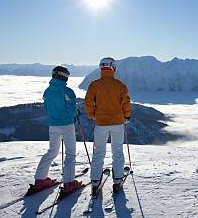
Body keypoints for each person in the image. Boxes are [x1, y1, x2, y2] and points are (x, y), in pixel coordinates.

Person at [30, 66, 84, 197]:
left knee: (52, 151)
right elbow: (72, 110)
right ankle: (69, 183)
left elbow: (47, 109)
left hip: (53, 125)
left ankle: (40, 179)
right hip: (67, 125)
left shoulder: (47, 91)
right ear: (63, 76)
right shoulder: (67, 91)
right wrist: (76, 112)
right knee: (70, 154)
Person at [85, 57, 131, 196]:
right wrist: (126, 116)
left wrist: (93, 115)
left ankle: (95, 182)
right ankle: (117, 180)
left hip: (101, 123)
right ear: (113, 68)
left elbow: (88, 102)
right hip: (118, 122)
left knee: (99, 152)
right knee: (117, 151)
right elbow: (126, 103)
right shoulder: (120, 85)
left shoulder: (94, 85)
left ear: (101, 68)